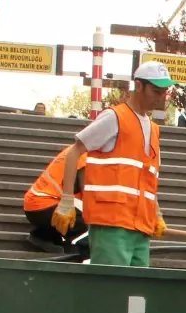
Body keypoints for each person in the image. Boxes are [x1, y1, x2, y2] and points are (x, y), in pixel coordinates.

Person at [53, 60, 172, 267]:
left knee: (134, 295)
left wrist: (156, 213)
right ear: (139, 86)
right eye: (155, 91)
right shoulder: (114, 118)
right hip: (110, 223)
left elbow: (147, 180)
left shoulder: (154, 130)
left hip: (140, 227)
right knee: (111, 292)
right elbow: (74, 152)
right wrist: (66, 201)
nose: (161, 98)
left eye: (164, 92)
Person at [23, 144, 89, 260]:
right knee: (90, 225)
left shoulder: (78, 149)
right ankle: (81, 250)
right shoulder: (85, 155)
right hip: (47, 205)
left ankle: (44, 235)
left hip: (36, 205)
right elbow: (87, 193)